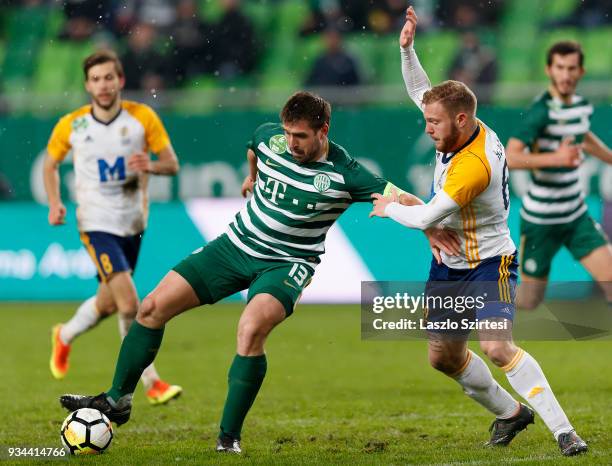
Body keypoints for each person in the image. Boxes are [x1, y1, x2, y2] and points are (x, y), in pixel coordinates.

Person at [58, 90, 460, 454]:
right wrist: (252, 175)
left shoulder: (347, 172)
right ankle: (118, 399)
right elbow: (255, 147)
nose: (291, 143)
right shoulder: (270, 138)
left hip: (286, 265)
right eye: (287, 133)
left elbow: (399, 196)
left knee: (250, 330)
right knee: (150, 309)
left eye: (300, 136)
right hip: (233, 247)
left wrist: (429, 226)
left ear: (323, 130)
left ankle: (228, 438)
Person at [370, 7, 587, 456]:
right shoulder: (453, 124)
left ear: (462, 121)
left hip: (490, 261)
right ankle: (511, 414)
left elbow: (426, 218)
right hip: (449, 265)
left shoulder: (473, 166)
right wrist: (406, 48)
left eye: (435, 123)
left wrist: (390, 207)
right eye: (428, 120)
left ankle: (565, 432)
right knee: (442, 358)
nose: (428, 129)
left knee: (496, 345)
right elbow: (420, 91)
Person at [44, 50, 182, 405]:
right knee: (128, 302)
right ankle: (150, 383)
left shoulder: (142, 118)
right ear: (87, 85)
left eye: (108, 78)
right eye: (95, 79)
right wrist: (56, 202)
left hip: (133, 222)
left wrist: (151, 166)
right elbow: (50, 165)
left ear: (119, 80)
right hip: (95, 222)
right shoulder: (72, 125)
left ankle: (64, 334)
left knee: (106, 303)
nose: (102, 85)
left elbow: (172, 163)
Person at [505, 41, 612, 310]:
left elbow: (583, 135)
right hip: (541, 220)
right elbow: (510, 157)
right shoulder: (541, 112)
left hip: (575, 215)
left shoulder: (580, 106)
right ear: (549, 70)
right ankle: (480, 297)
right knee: (529, 301)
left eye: (571, 68)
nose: (565, 75)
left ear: (581, 72)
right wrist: (556, 158)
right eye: (560, 68)